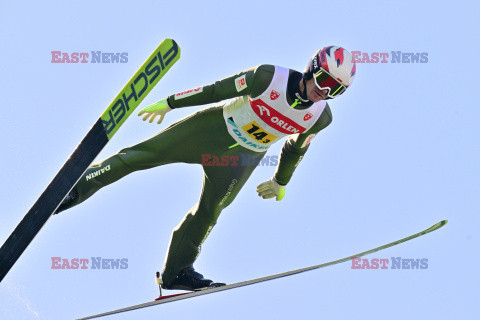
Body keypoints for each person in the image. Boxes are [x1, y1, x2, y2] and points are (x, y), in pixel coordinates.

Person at [54, 45, 357, 291]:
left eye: (336, 90)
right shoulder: (268, 77)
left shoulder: (320, 117)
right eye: (325, 81)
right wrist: (171, 103)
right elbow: (216, 90)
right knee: (139, 156)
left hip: (241, 159)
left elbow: (295, 148)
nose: (325, 91)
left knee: (210, 213)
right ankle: (72, 191)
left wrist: (281, 181)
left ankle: (176, 273)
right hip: (212, 130)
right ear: (312, 67)